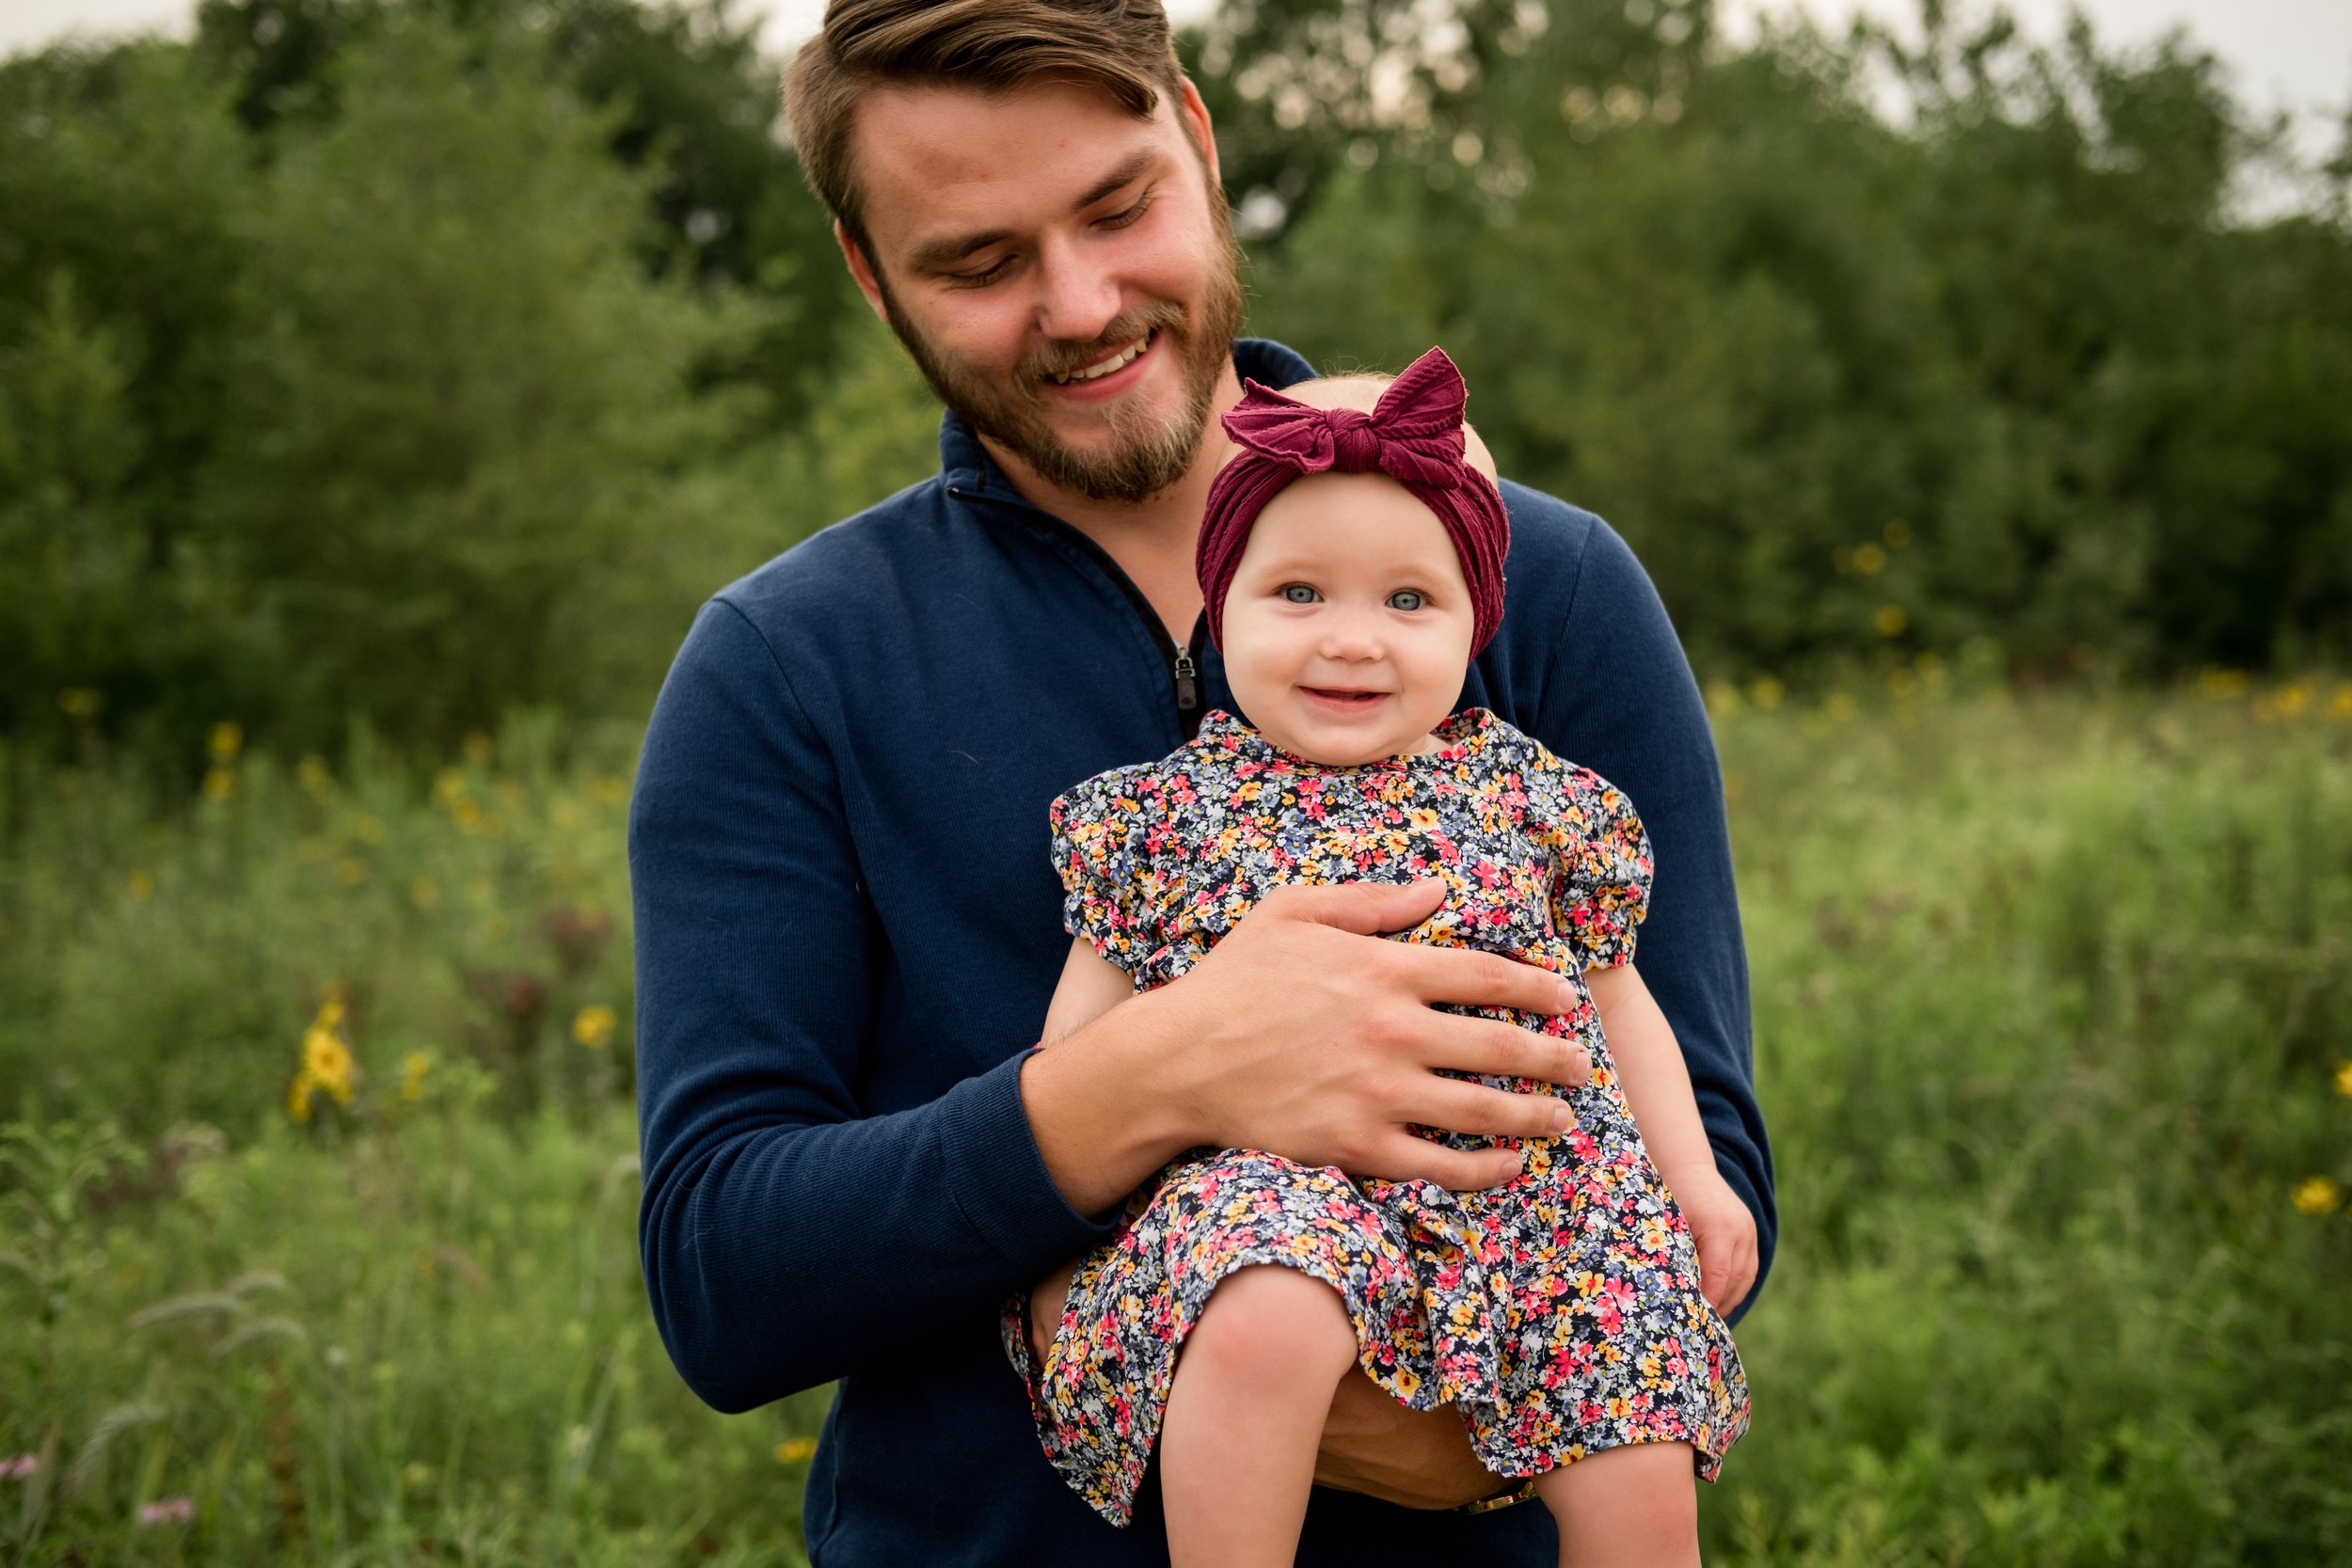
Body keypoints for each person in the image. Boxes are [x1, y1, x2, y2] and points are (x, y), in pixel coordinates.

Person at [628, 1, 1772, 1561]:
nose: (1082, 302)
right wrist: (1161, 1075)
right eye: (978, 260)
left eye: (1120, 206)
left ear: (1201, 140)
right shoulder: (787, 666)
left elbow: (1702, 1157)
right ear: (866, 270)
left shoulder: (1553, 589)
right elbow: (724, 1277)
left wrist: (1452, 1430)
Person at [1009, 351, 1749, 1568]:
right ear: (1221, 602)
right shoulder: (1169, 815)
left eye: (1410, 602)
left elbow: (1621, 1002)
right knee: (1261, 1321)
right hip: (1278, 1193)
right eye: (1297, 592)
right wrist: (1073, 1227)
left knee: (1638, 1429)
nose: (1352, 641)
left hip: (1538, 1204)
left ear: (1475, 622)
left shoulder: (1532, 799)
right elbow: (1081, 1049)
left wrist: (1697, 1180)